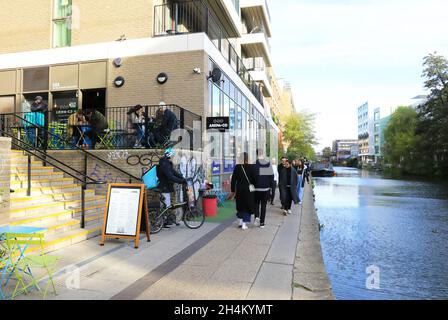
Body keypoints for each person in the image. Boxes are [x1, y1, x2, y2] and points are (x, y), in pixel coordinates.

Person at [156, 148, 187, 228]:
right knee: (166, 205)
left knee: (166, 205)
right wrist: (181, 181)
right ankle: (160, 222)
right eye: (173, 155)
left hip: (166, 187)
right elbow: (170, 176)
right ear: (169, 155)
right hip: (164, 187)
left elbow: (173, 172)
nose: (174, 157)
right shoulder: (164, 163)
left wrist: (182, 178)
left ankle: (164, 221)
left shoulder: (167, 163)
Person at [230, 152, 257, 230]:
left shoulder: (237, 167)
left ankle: (240, 221)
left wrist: (232, 190)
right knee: (247, 206)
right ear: (247, 158)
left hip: (239, 189)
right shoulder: (251, 167)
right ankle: (244, 223)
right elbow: (255, 179)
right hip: (248, 190)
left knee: (240, 205)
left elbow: (233, 180)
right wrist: (254, 185)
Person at [254, 150, 274, 228]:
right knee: (263, 205)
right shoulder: (267, 164)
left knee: (256, 204)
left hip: (256, 188)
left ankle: (256, 217)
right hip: (265, 188)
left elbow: (252, 176)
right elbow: (271, 176)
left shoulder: (254, 164)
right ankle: (262, 223)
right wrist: (272, 187)